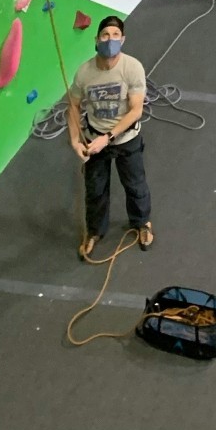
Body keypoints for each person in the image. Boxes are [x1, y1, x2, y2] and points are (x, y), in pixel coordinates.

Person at [67, 13, 152, 259]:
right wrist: (75, 139)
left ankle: (142, 222)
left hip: (125, 139)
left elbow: (136, 109)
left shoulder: (132, 68)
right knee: (95, 189)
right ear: (96, 39)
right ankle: (94, 230)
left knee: (135, 185)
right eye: (105, 35)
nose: (110, 39)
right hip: (94, 139)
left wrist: (109, 136)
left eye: (115, 35)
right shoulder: (84, 73)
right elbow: (72, 106)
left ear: (123, 40)